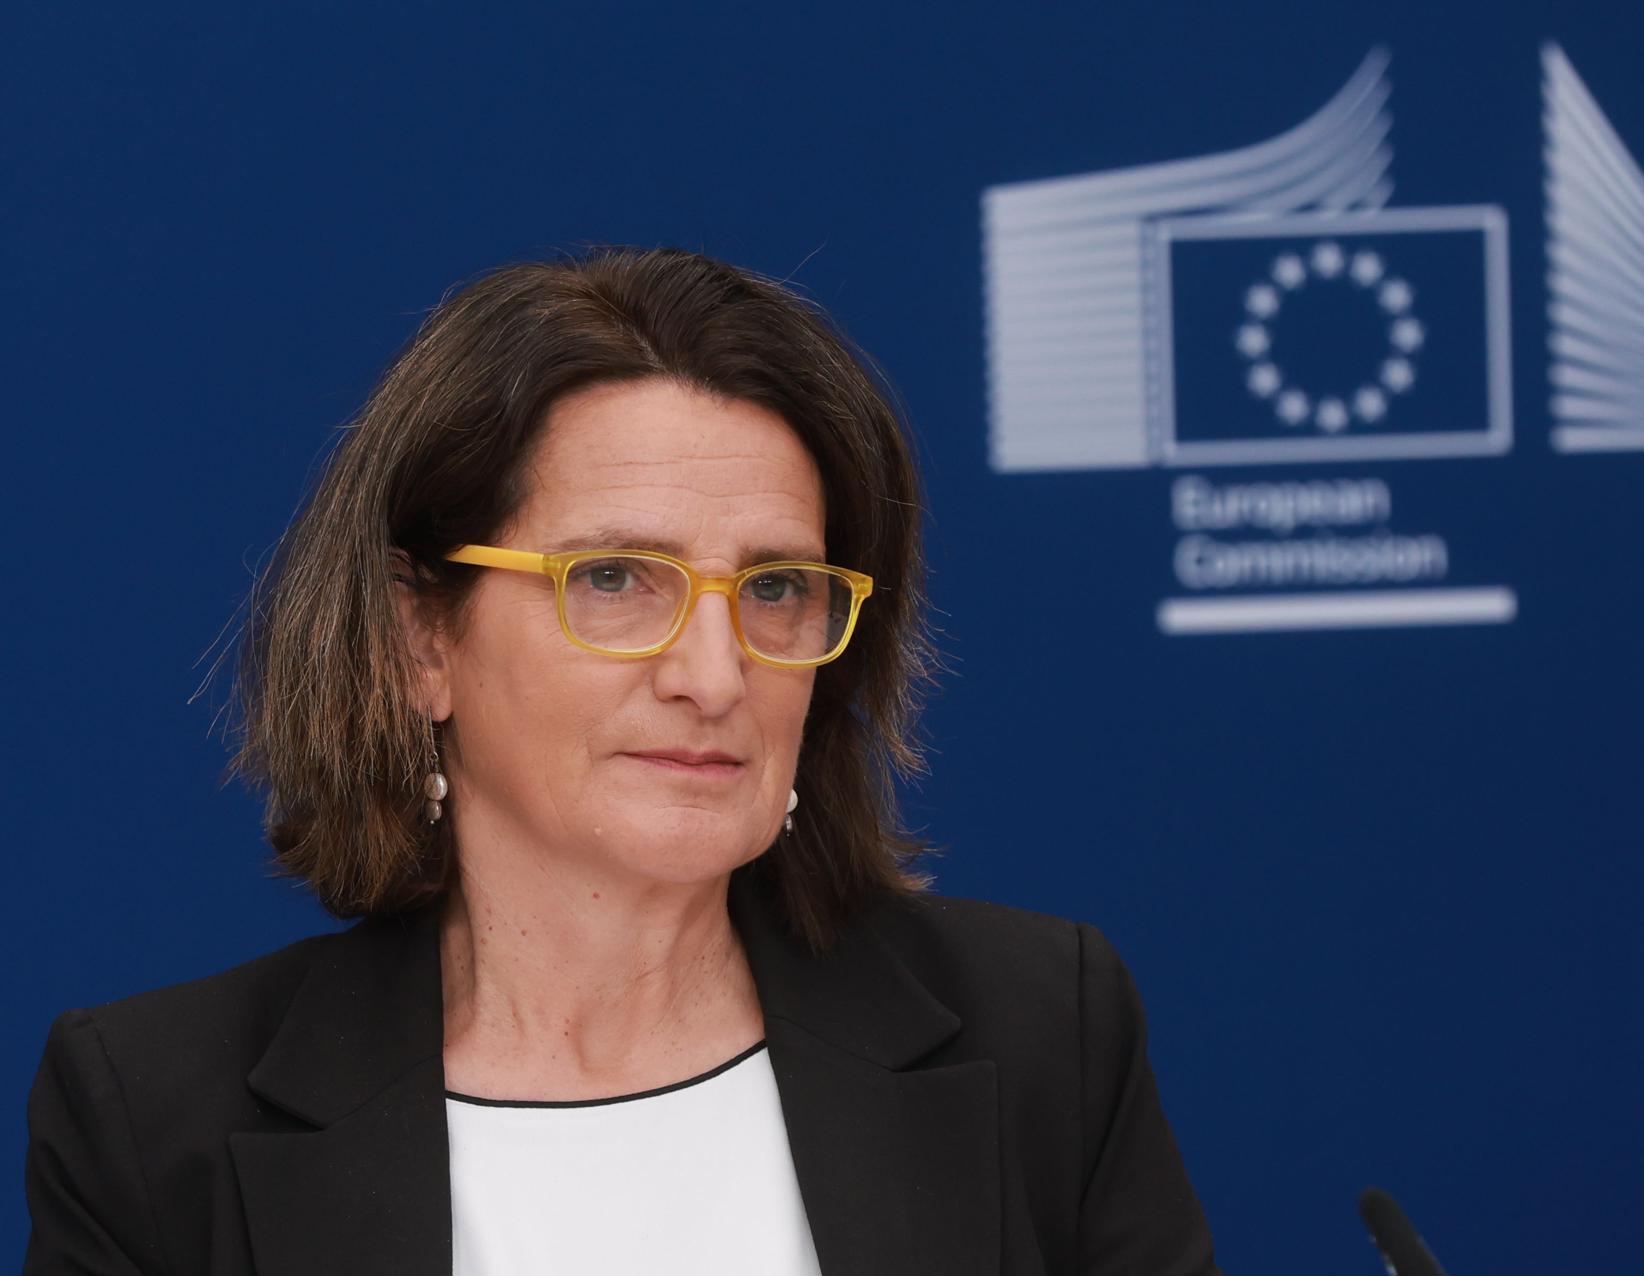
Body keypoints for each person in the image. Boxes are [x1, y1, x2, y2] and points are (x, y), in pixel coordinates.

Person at [21, 247, 1221, 1274]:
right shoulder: (156, 1121)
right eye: (612, 579)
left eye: (776, 589)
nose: (713, 673)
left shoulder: (1041, 1032)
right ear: (418, 640)